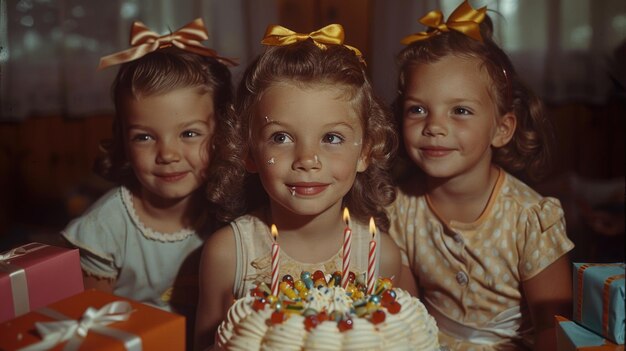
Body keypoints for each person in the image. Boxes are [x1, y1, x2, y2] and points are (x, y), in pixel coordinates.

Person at [194, 24, 414, 349]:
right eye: (281, 138)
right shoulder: (228, 254)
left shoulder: (380, 256)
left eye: (332, 138)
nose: (307, 159)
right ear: (249, 152)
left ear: (366, 151)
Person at [388, 1, 575, 350]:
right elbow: (406, 316)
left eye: (460, 110)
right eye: (418, 109)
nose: (434, 127)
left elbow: (555, 328)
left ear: (501, 129)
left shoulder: (530, 219)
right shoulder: (399, 210)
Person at [61, 18, 239, 343]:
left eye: (189, 133)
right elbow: (91, 331)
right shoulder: (103, 230)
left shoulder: (230, 214)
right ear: (124, 143)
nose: (167, 154)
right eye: (144, 137)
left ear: (221, 136)